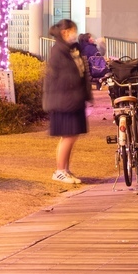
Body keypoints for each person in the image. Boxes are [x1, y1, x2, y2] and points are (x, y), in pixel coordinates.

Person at [42, 19, 91, 185]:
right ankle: (60, 171)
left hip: (73, 99)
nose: (74, 34)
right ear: (65, 32)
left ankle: (65, 169)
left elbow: (81, 72)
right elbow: (64, 77)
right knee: (68, 136)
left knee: (71, 135)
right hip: (64, 100)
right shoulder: (58, 50)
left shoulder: (73, 49)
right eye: (72, 31)